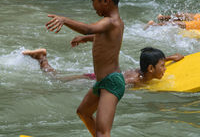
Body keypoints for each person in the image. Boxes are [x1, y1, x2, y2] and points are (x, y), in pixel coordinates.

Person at [45, 0, 127, 137]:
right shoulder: (112, 25)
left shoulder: (111, 21)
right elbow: (99, 35)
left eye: (93, 0)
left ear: (106, 1)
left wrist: (65, 20)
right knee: (83, 112)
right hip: (102, 83)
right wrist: (86, 39)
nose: (93, 5)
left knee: (103, 133)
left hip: (112, 83)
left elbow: (92, 28)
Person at [22, 47, 184, 86]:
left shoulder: (145, 71)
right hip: (94, 79)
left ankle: (41, 57)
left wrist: (170, 58)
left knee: (57, 77)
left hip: (103, 74)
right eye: (163, 66)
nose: (165, 68)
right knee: (56, 79)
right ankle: (41, 58)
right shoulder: (135, 80)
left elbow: (150, 62)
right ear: (151, 69)